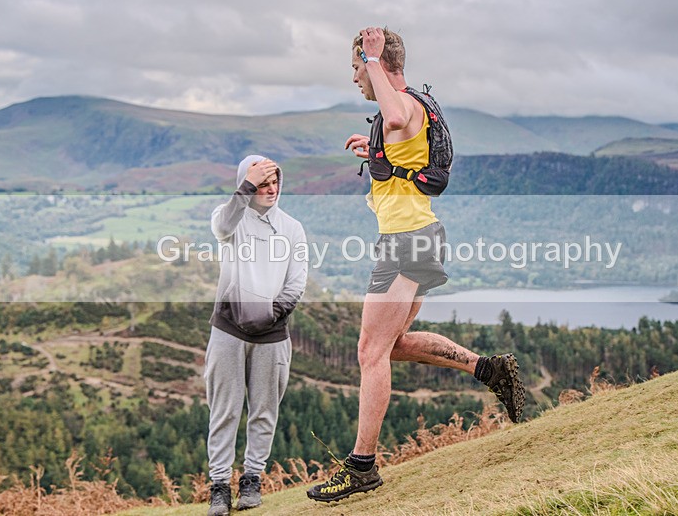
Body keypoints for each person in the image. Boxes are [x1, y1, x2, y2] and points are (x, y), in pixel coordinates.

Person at [307, 27, 525, 503]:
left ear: (374, 66)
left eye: (356, 70)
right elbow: (405, 144)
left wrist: (370, 57)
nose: (355, 80)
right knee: (392, 345)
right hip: (420, 236)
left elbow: (395, 111)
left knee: (369, 351)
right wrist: (378, 153)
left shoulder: (402, 102)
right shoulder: (412, 108)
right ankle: (489, 369)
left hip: (406, 242)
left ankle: (362, 466)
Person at [205, 155, 308, 516]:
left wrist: (271, 313)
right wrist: (246, 186)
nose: (271, 189)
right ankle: (219, 487)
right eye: (262, 183)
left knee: (264, 411)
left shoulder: (292, 228)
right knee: (225, 410)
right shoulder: (231, 218)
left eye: (274, 182)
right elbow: (221, 227)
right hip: (228, 330)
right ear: (247, 184)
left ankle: (252, 480)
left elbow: (297, 280)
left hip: (273, 335)